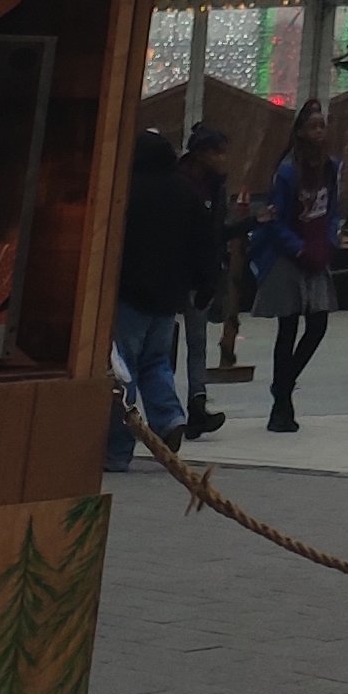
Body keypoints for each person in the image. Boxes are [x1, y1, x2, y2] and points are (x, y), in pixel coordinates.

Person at [109, 128, 221, 472]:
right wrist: (206, 282)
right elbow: (206, 240)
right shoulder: (185, 191)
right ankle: (169, 418)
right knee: (156, 362)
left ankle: (117, 449)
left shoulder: (127, 191)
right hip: (168, 296)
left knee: (122, 370)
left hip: (130, 293)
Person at [252, 99, 344, 432]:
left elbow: (333, 210)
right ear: (301, 132)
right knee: (288, 328)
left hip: (317, 251)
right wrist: (298, 248)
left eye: (323, 126)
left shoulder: (331, 167)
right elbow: (275, 219)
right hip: (288, 256)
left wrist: (329, 241)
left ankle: (283, 385)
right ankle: (281, 406)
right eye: (313, 126)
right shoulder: (288, 171)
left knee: (318, 324)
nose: (319, 132)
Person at [176, 125, 232, 438]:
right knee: (162, 344)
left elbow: (216, 233)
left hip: (202, 276)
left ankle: (196, 404)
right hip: (175, 274)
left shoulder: (216, 187)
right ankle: (165, 411)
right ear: (200, 154)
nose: (223, 159)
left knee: (197, 342)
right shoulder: (180, 183)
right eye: (217, 152)